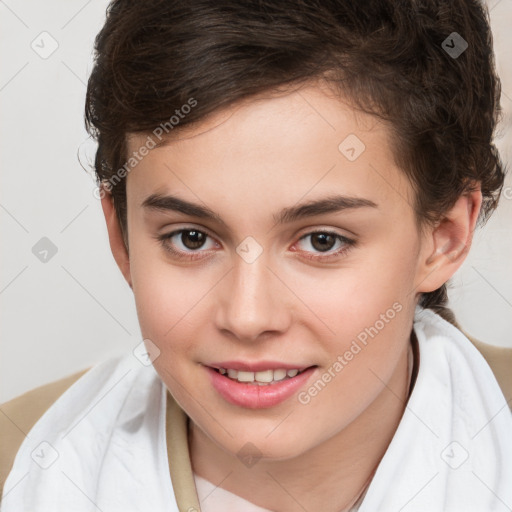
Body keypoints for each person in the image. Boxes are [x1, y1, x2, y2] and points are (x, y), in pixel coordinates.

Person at [1, 1, 512, 511]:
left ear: (444, 236)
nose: (248, 317)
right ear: (123, 238)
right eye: (192, 239)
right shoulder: (19, 467)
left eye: (322, 241)